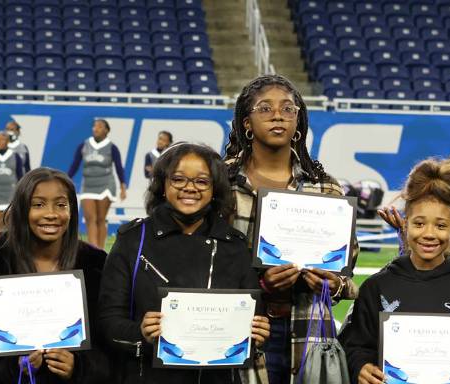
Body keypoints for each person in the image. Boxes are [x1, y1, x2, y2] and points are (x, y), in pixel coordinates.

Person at [97, 143, 269, 383]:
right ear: (163, 186)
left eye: (201, 181)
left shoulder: (235, 246)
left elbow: (252, 321)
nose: (190, 188)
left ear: (214, 189)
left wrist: (258, 332)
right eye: (178, 179)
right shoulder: (133, 240)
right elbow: (107, 322)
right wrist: (141, 333)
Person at [221, 74, 354, 384]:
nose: (278, 114)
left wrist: (331, 284)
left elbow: (347, 278)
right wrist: (261, 285)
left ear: (298, 122)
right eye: (265, 108)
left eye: (288, 109)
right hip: (237, 326)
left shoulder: (325, 188)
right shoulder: (219, 182)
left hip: (307, 327)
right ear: (246, 122)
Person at [0, 168, 111, 383]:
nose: (51, 214)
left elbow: (110, 341)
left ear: (72, 211)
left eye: (61, 205)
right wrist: (13, 364)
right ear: (22, 209)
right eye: (38, 204)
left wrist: (79, 367)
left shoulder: (94, 265)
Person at [339, 158, 450, 384]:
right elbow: (356, 346)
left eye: (441, 225)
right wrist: (362, 367)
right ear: (405, 224)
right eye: (419, 223)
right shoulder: (377, 287)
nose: (430, 234)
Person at [67, 119, 128, 250]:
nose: (95, 128)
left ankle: (100, 250)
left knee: (100, 219)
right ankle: (93, 250)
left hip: (106, 184)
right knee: (90, 219)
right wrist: (66, 179)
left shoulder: (112, 147)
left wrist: (123, 186)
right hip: (88, 185)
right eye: (94, 126)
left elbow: (118, 167)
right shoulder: (84, 145)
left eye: (99, 126)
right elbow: (74, 165)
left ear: (106, 130)